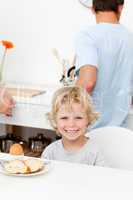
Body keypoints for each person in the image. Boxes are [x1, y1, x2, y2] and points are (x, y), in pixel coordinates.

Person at [74, 0, 133, 128]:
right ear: (121, 7)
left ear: (93, 8)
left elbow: (88, 83)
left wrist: (69, 110)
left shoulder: (88, 36)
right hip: (122, 131)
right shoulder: (130, 38)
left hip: (92, 130)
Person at [41, 86, 106, 166]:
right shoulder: (50, 152)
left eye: (78, 118)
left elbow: (103, 177)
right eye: (64, 118)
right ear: (55, 121)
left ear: (88, 119)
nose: (71, 124)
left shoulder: (96, 152)